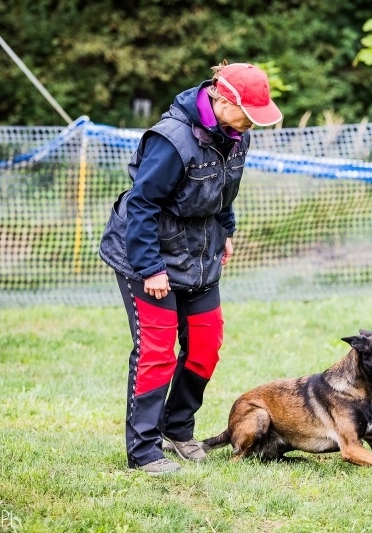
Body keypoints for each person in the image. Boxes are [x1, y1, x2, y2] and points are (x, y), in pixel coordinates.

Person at [99, 61, 282, 475]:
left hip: (200, 256)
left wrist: (227, 230)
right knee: (156, 353)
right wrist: (150, 268)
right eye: (248, 114)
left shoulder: (236, 137)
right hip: (147, 255)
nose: (253, 124)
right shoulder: (173, 139)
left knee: (205, 347)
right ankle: (143, 450)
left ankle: (176, 428)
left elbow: (224, 192)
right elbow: (143, 204)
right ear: (221, 97)